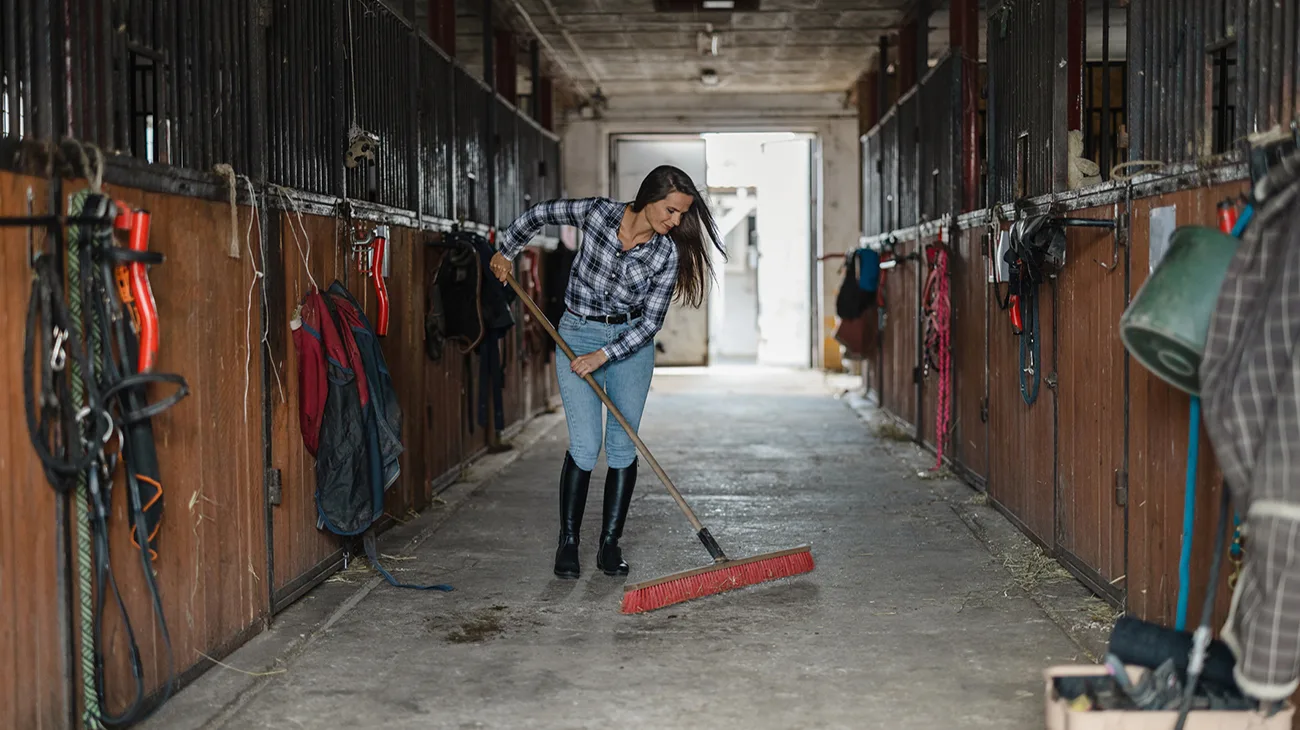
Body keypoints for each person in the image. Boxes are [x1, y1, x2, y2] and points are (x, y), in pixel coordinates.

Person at [489, 165, 725, 579]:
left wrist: (605, 355)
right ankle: (569, 543)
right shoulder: (598, 214)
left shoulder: (665, 254)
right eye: (671, 211)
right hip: (577, 334)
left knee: (623, 445)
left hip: (630, 345)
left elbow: (650, 323)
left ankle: (609, 545)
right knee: (584, 444)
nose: (675, 221)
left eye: (681, 215)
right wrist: (506, 250)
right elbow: (539, 214)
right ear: (650, 198)